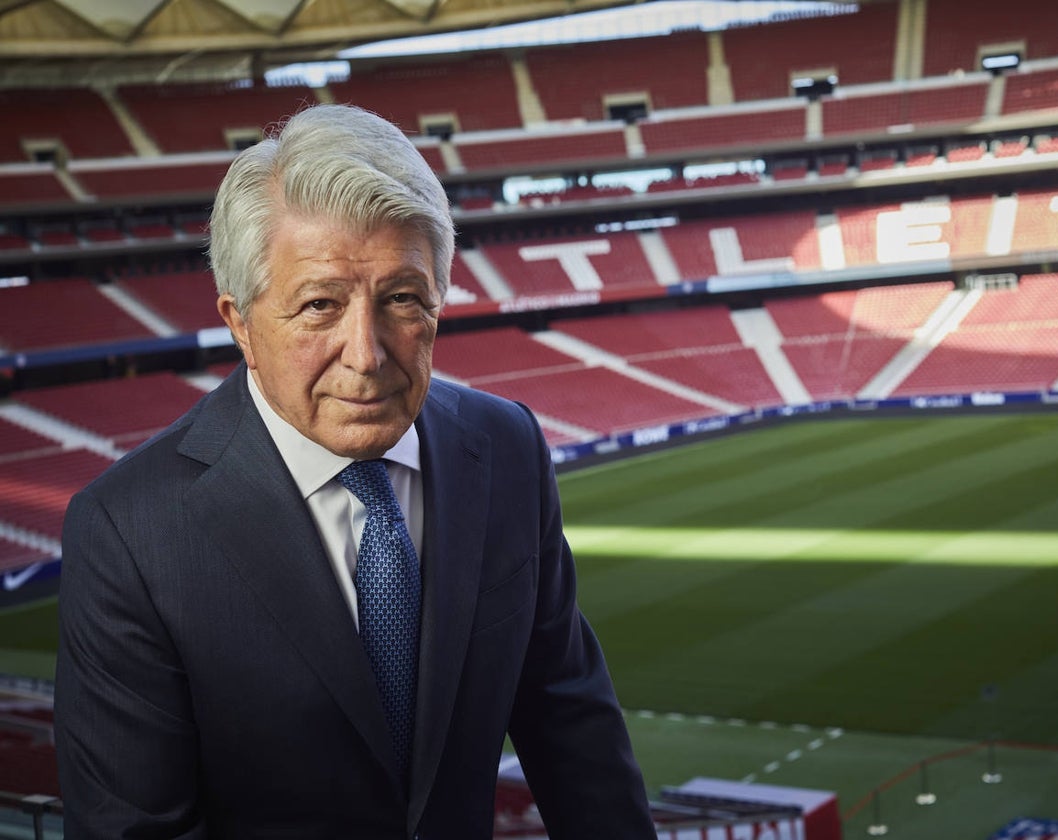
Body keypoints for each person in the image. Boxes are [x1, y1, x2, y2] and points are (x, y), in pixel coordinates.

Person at [54, 103, 657, 839]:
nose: (366, 354)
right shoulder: (130, 532)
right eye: (319, 305)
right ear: (240, 322)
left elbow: (571, 722)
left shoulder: (508, 450)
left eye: (403, 299)